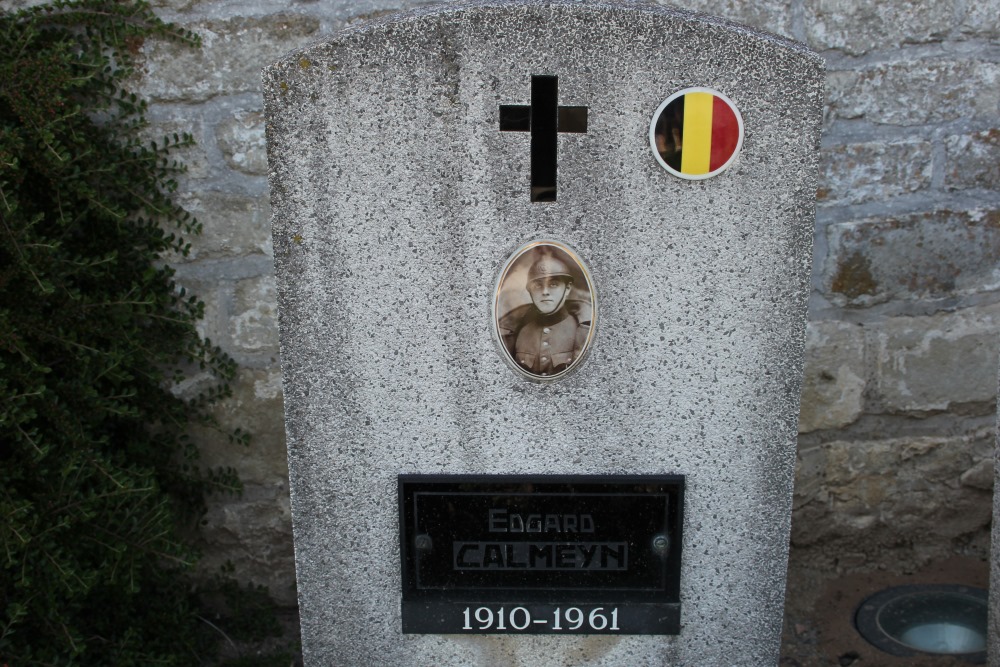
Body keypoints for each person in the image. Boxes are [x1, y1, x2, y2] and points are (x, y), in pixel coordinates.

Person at [498, 250, 592, 377]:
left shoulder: (584, 330)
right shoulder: (515, 331)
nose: (545, 292)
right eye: (537, 286)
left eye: (553, 284)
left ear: (567, 288)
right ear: (529, 291)